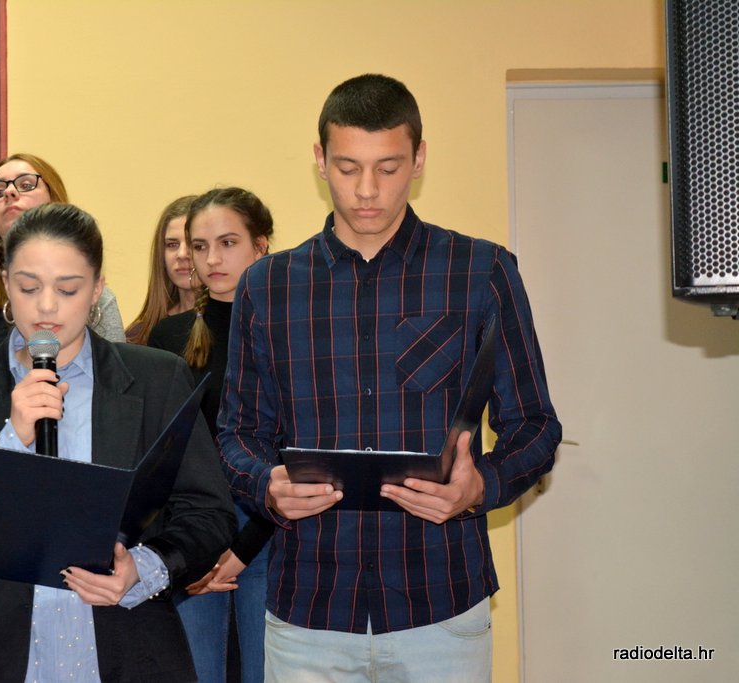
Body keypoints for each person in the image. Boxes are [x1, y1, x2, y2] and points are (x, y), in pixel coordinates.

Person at [218, 74, 562, 682]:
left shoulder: (480, 271)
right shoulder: (267, 286)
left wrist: (479, 486)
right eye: (348, 167)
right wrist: (266, 484)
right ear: (320, 159)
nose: (367, 190)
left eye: (388, 167)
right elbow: (238, 433)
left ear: (419, 159)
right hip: (309, 612)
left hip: (442, 605)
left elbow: (535, 424)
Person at [0, 202, 236, 682]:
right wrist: (10, 443)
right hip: (7, 657)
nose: (47, 306)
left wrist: (143, 568)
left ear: (97, 289)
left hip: (132, 652)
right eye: (28, 287)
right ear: (5, 284)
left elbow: (208, 513)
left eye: (67, 289)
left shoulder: (155, 379)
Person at [148, 187, 276, 683]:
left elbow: (292, 450)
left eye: (228, 243)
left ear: (261, 245)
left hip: (267, 530)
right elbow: (165, 453)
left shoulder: (285, 330)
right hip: (194, 529)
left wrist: (241, 550)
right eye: (200, 246)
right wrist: (188, 548)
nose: (211, 259)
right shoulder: (169, 337)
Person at [0, 152, 126, 389]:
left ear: (55, 203)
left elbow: (119, 386)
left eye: (26, 185)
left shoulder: (99, 299)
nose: (9, 192)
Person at [126, 195, 198, 344]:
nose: (182, 254)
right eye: (172, 244)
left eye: (193, 243)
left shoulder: (234, 327)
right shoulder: (138, 336)